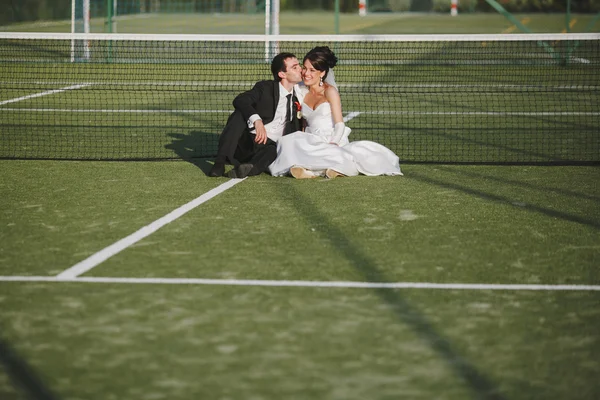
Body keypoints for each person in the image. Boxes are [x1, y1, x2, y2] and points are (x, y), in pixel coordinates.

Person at [269, 46, 402, 179]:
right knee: (288, 142)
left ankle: (330, 166)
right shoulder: (301, 90)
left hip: (331, 139)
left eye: (312, 70)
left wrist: (333, 143)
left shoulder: (330, 91)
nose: (305, 73)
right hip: (311, 138)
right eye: (304, 68)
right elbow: (303, 122)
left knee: (332, 153)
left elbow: (339, 125)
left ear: (322, 73)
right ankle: (312, 170)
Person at [208, 52, 304, 178]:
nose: (300, 70)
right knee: (239, 114)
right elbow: (240, 100)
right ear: (282, 74)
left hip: (268, 147)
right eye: (295, 67)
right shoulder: (265, 88)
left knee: (272, 150)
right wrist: (257, 121)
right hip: (246, 142)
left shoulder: (297, 97)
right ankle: (219, 163)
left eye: (299, 66)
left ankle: (249, 169)